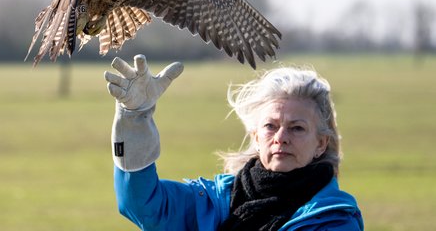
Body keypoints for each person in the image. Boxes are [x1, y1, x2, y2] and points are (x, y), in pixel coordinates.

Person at [104, 54, 363, 231]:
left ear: (321, 143)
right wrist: (134, 119)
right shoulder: (216, 199)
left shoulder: (334, 220)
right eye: (270, 126)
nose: (281, 137)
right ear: (255, 137)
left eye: (297, 128)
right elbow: (143, 205)